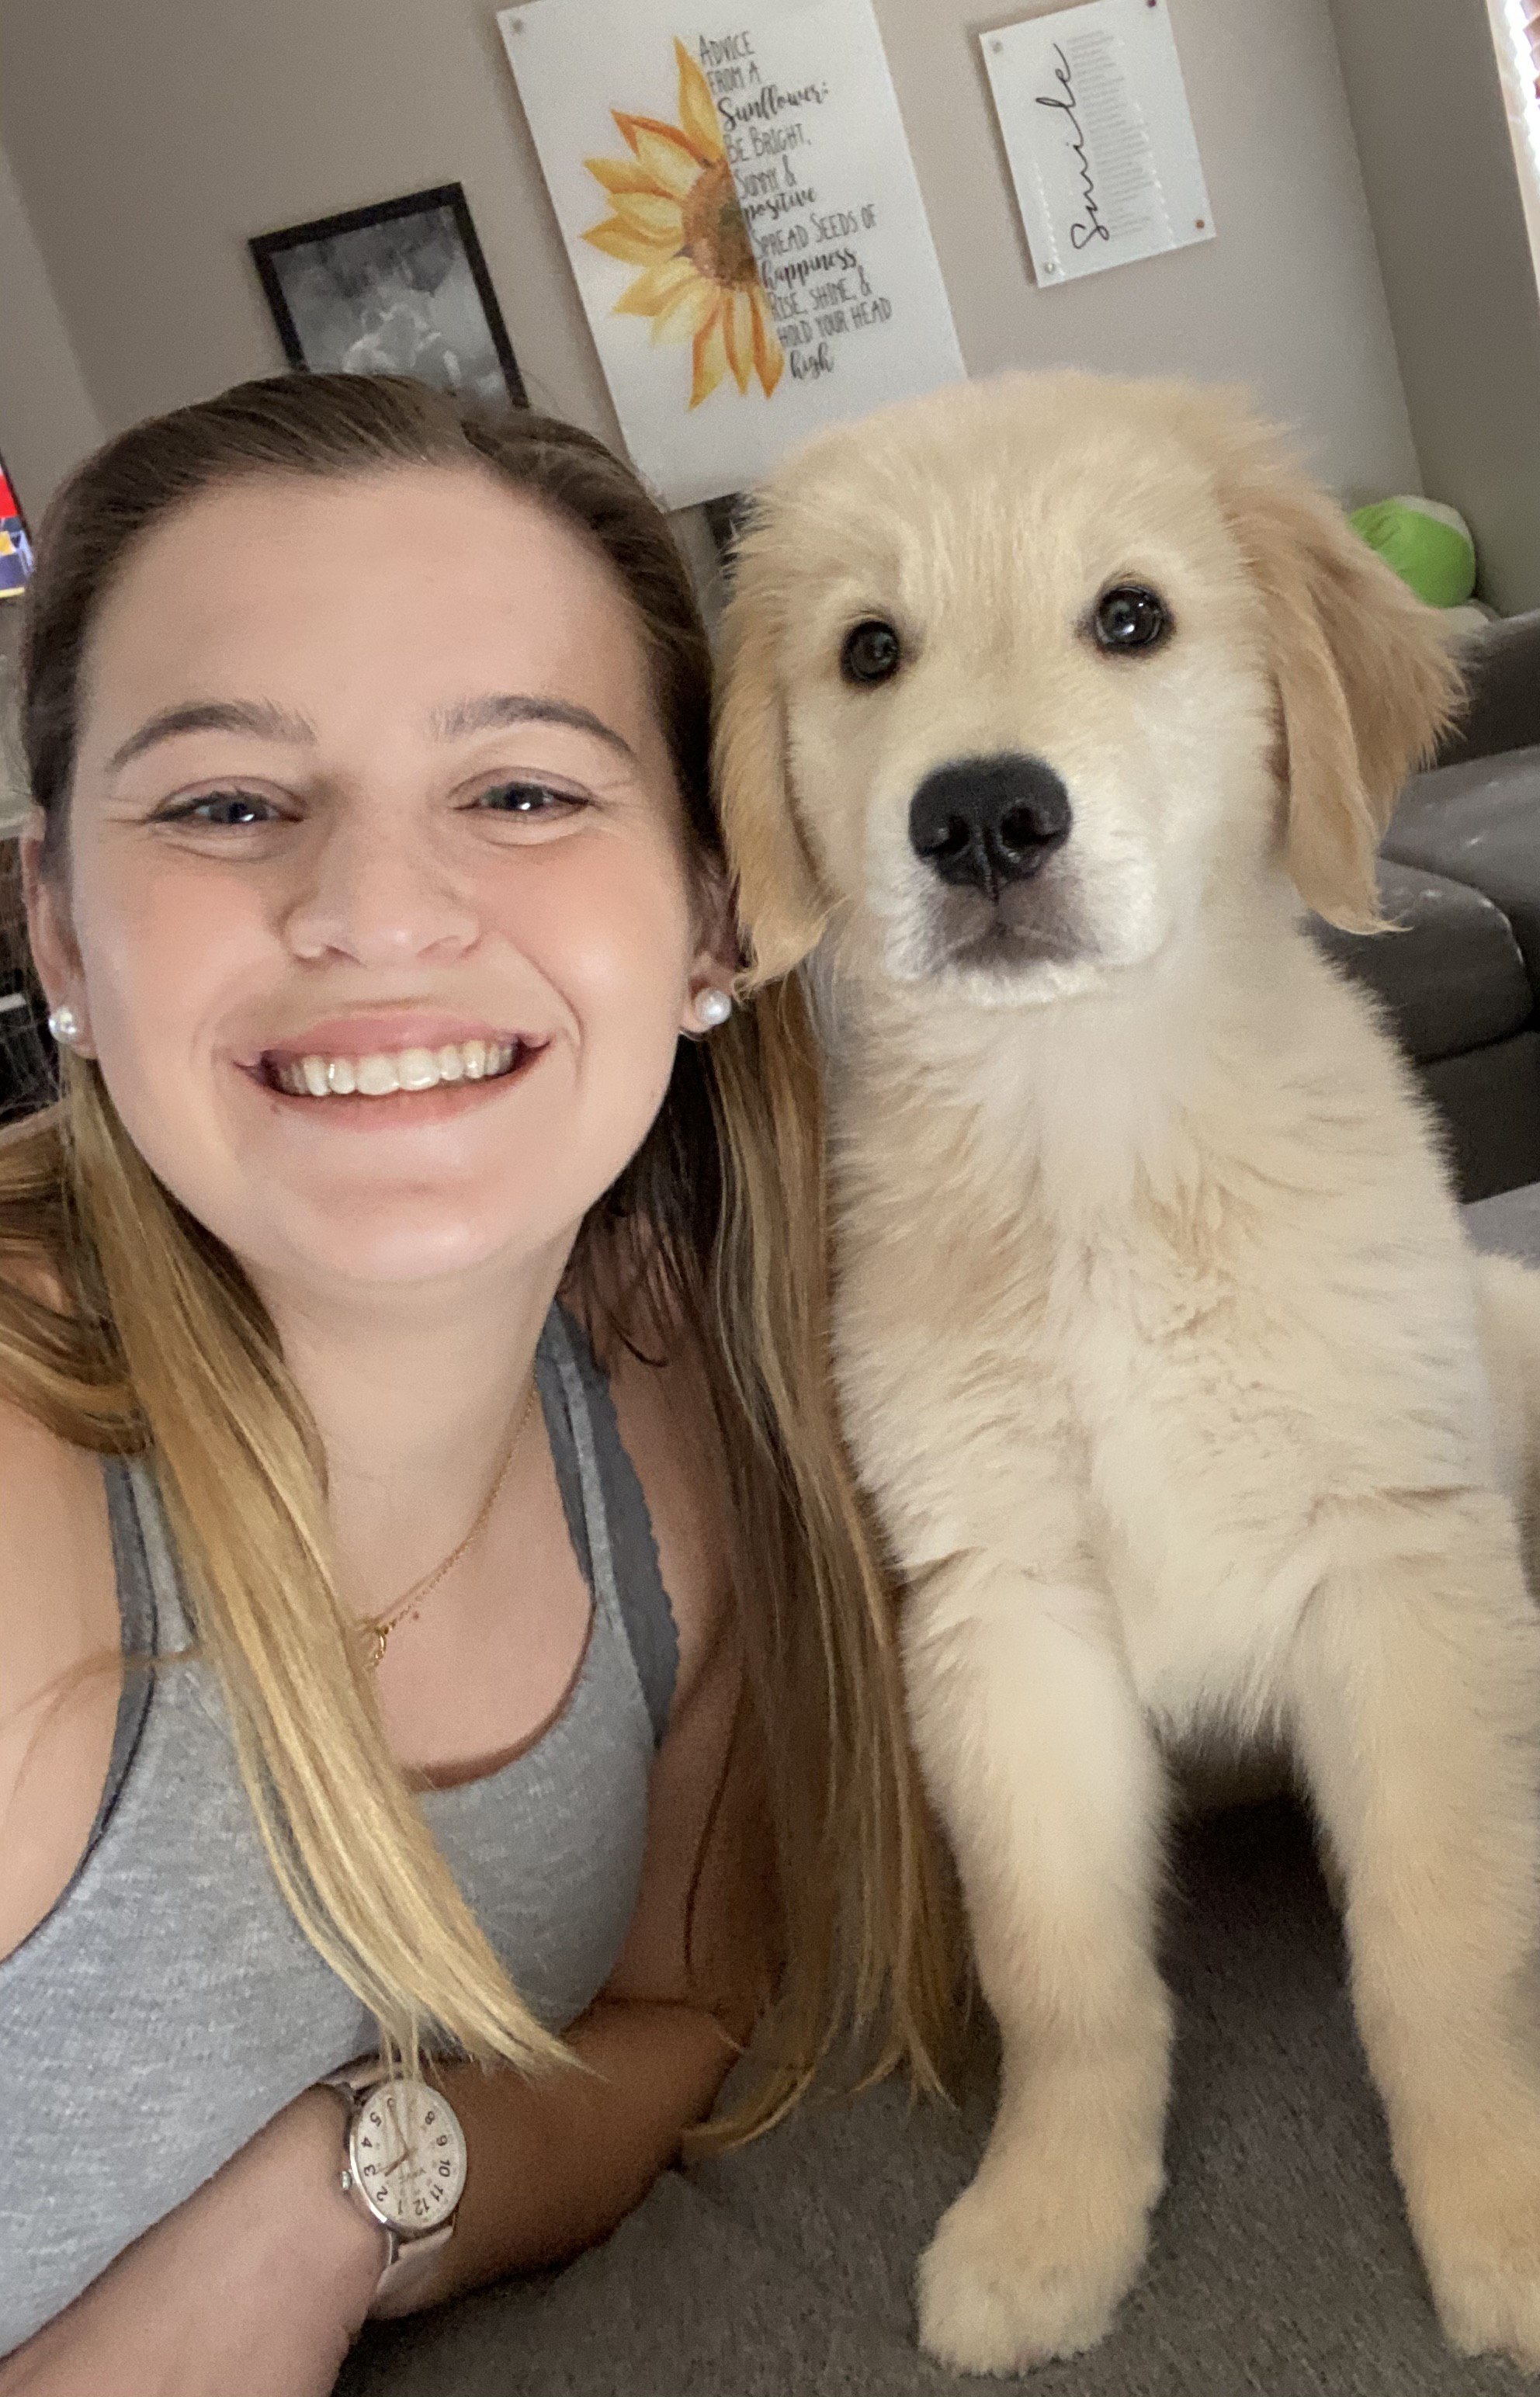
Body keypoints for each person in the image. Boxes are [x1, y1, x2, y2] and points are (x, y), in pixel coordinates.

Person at [0, 373, 957, 2393]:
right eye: (227, 805)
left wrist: (342, 2203)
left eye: (522, 792)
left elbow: (672, 2019)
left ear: (713, 909)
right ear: (60, 936)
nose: (374, 914)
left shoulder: (674, 1407)